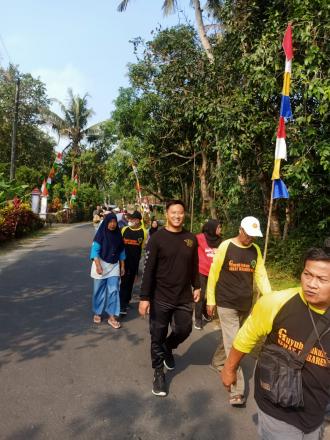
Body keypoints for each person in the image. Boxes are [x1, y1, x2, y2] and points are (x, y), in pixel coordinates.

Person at [222, 247, 330, 439]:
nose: (311, 284)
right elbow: (247, 336)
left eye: (322, 279)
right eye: (307, 274)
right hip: (276, 404)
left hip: (316, 410)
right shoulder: (276, 302)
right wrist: (229, 369)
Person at [206, 216, 272, 406]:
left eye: (254, 236)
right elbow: (213, 274)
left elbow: (261, 275)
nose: (251, 238)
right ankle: (236, 388)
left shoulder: (255, 250)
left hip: (245, 303)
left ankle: (217, 361)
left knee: (230, 338)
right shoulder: (226, 246)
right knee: (237, 343)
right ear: (240, 230)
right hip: (226, 302)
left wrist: (269, 299)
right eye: (248, 234)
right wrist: (211, 300)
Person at [139, 200, 201, 397]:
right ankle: (158, 373)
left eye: (180, 213)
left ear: (185, 215)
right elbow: (148, 270)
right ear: (167, 214)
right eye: (173, 212)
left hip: (183, 296)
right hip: (160, 296)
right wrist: (144, 297)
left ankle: (168, 347)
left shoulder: (191, 238)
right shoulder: (157, 239)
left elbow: (194, 265)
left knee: (184, 329)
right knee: (157, 335)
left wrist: (197, 285)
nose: (177, 216)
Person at [90, 213, 125, 329]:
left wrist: (123, 266)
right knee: (98, 290)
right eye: (110, 222)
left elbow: (122, 252)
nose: (113, 224)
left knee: (113, 290)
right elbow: (95, 251)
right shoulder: (100, 234)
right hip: (100, 263)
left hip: (114, 265)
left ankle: (112, 316)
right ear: (106, 222)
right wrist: (98, 266)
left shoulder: (118, 235)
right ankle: (98, 312)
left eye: (114, 222)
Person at [194, 219, 222, 330]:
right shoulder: (199, 238)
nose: (220, 229)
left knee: (212, 294)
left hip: (214, 272)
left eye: (220, 227)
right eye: (218, 227)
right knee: (201, 294)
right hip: (201, 271)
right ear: (212, 228)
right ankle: (198, 319)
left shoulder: (221, 241)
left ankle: (205, 313)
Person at [120, 210, 147, 315]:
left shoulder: (143, 232)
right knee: (123, 282)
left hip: (135, 262)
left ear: (137, 220)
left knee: (130, 282)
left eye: (131, 219)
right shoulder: (124, 230)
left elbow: (144, 247)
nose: (129, 220)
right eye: (129, 219)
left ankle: (126, 301)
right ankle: (121, 305)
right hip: (123, 262)